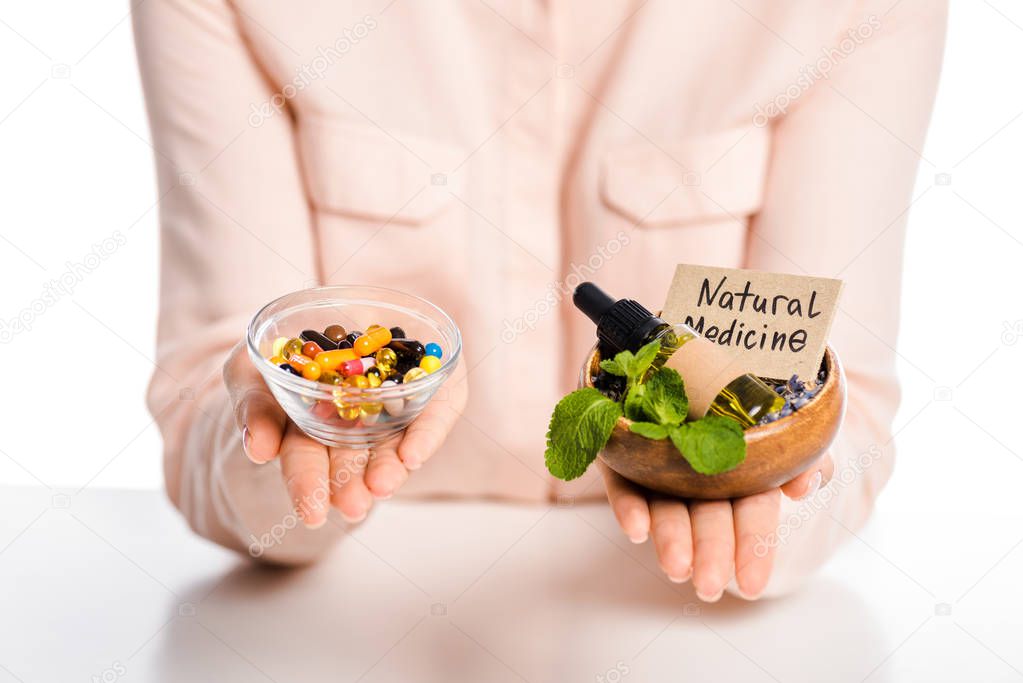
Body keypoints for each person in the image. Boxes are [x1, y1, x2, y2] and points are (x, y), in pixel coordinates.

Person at [133, 0, 946, 601]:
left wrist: (763, 499)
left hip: (650, 621)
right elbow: (210, 421)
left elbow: (849, 419)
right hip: (370, 609)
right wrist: (294, 442)